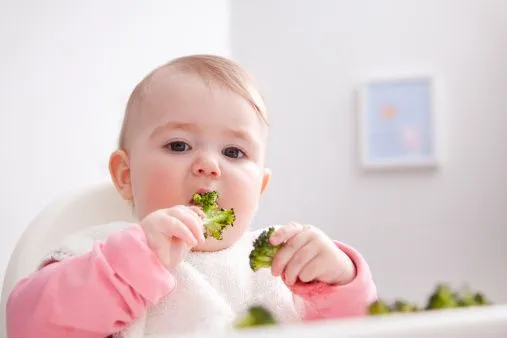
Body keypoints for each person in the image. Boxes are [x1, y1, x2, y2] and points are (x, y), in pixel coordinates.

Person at [6, 54, 377, 338]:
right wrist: (130, 265)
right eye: (179, 144)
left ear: (260, 189)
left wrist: (337, 282)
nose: (209, 165)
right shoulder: (103, 253)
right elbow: (27, 324)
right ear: (126, 175)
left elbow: (365, 330)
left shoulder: (281, 267)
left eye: (233, 153)